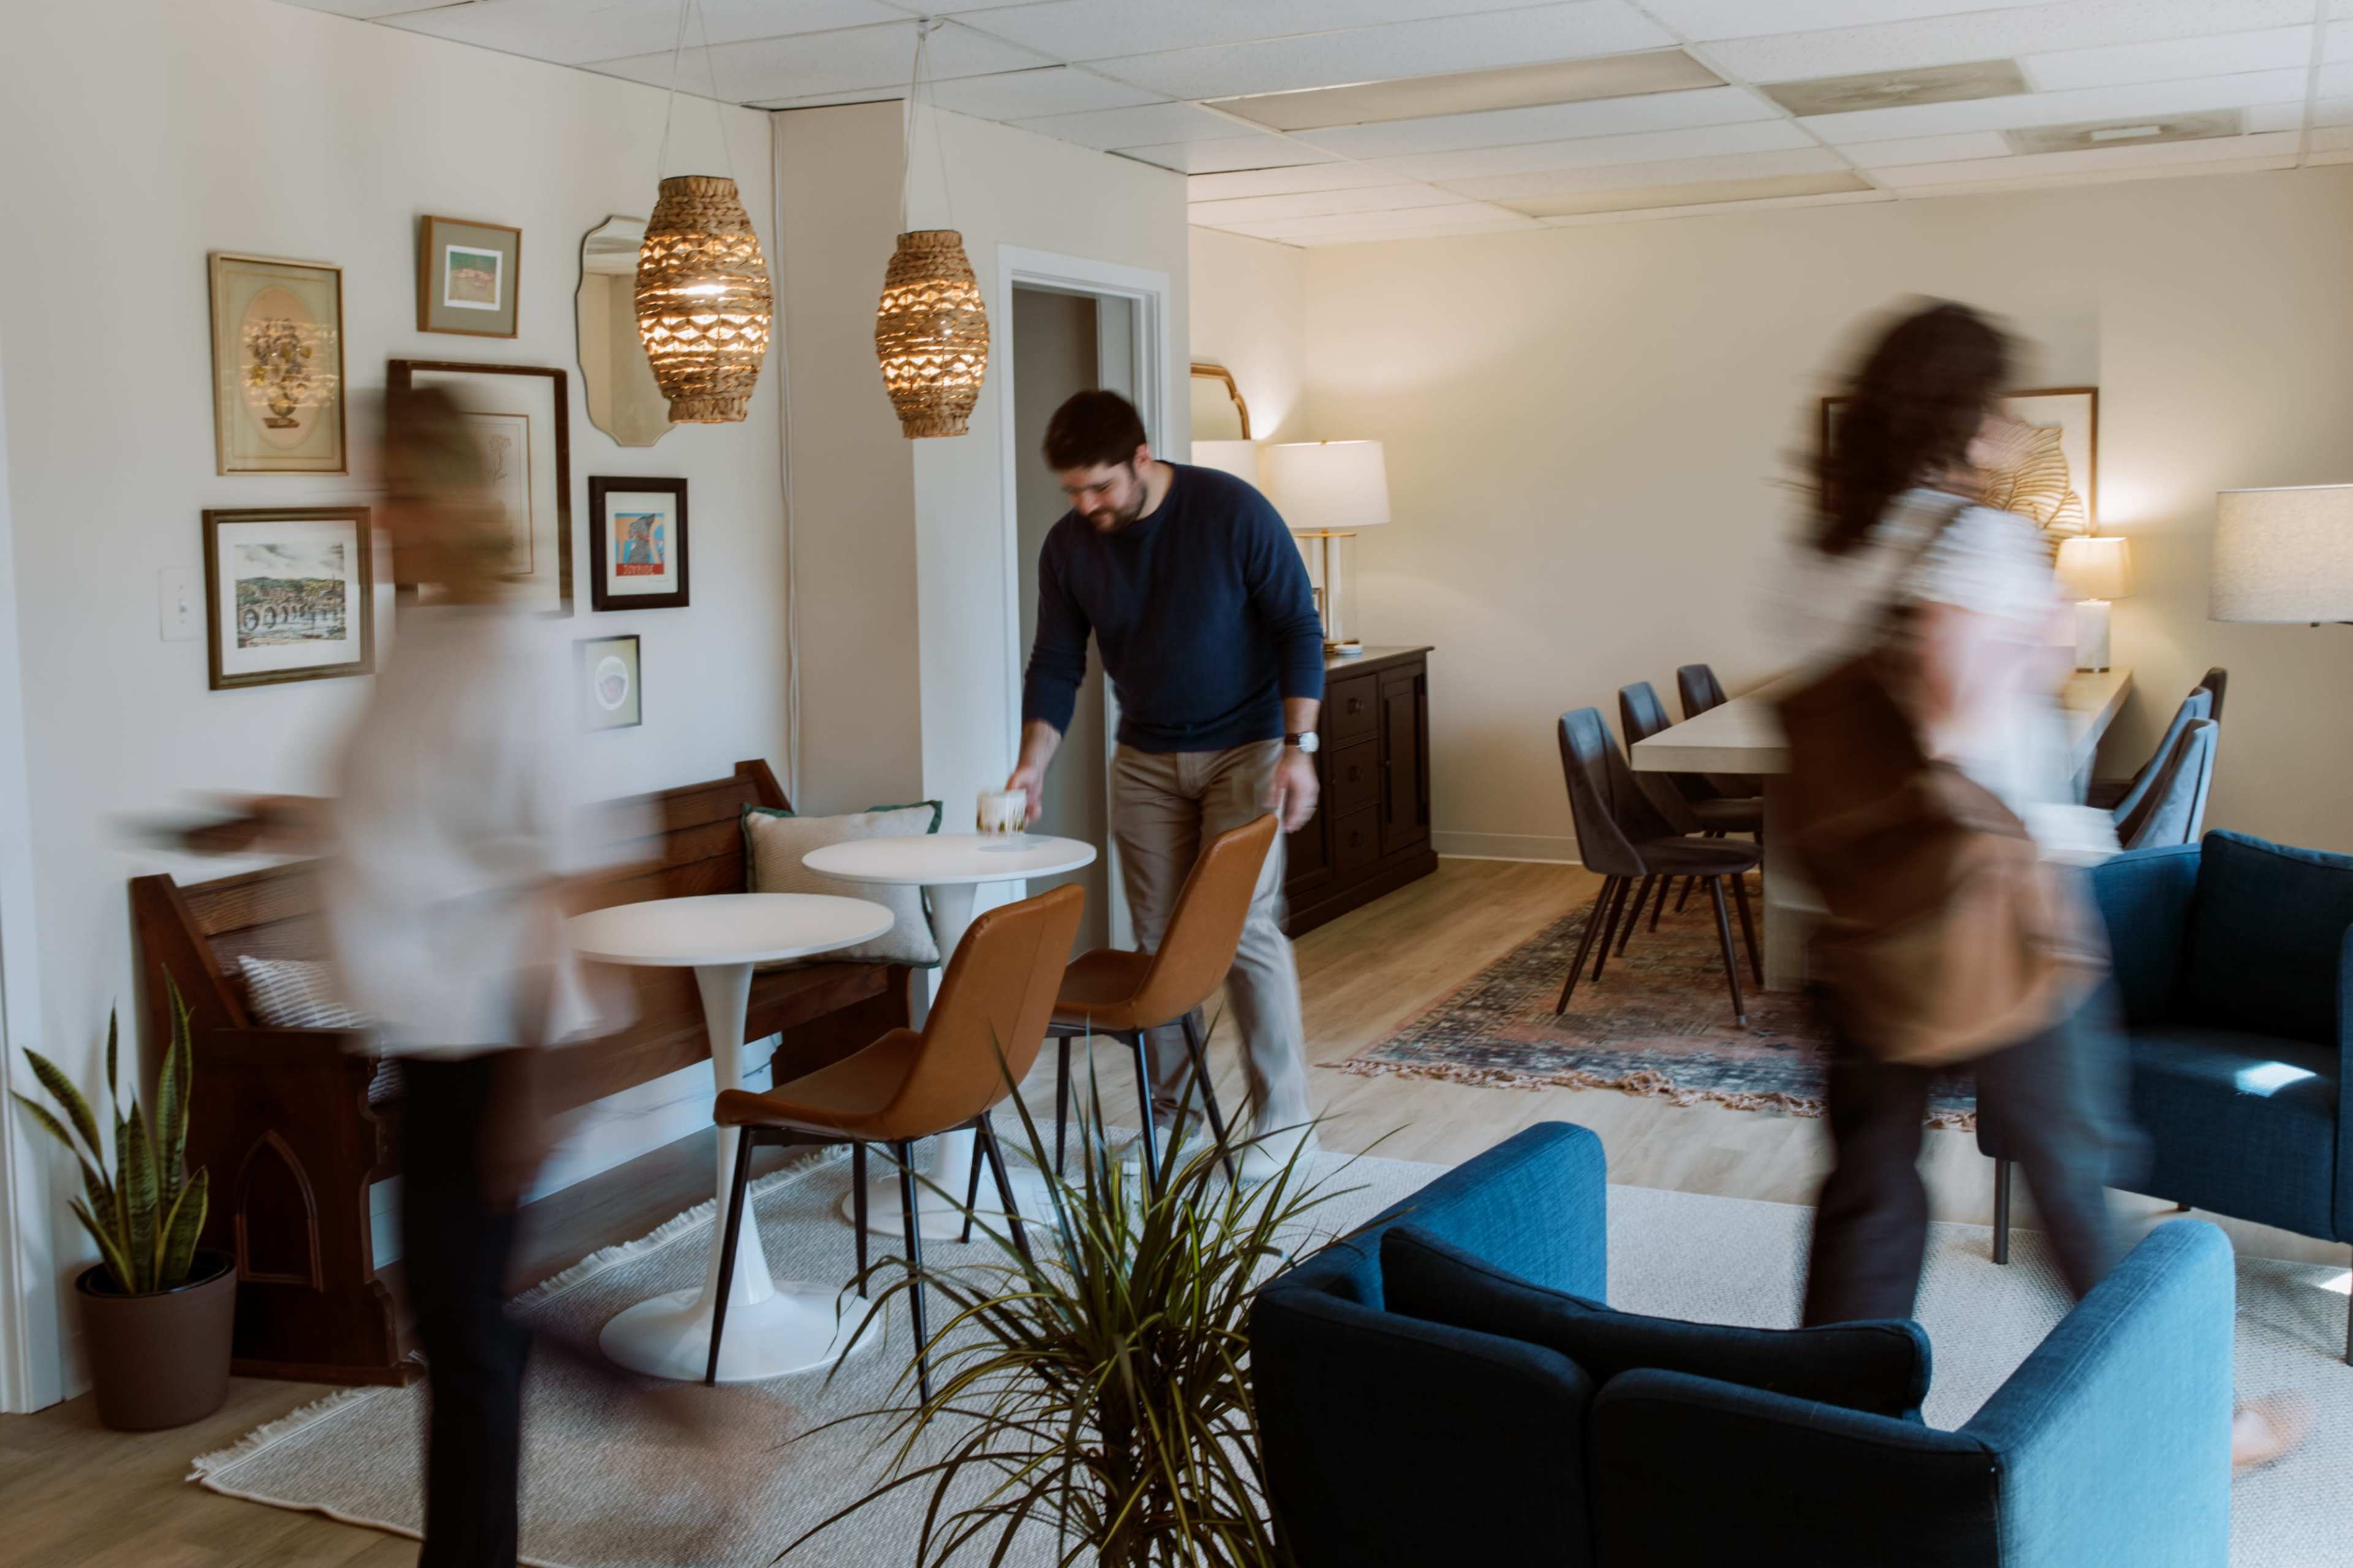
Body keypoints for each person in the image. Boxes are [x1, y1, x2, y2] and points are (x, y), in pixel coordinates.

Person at [1787, 299, 2307, 1474]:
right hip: (1993, 908)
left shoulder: (1837, 547)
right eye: (2001, 405)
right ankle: (2196, 1423)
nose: (2014, 427)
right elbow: (1960, 718)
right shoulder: (1975, 541)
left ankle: (1829, 1419)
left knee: (1871, 1182)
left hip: (1862, 916)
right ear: (1964, 417)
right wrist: (2032, 645)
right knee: (2075, 1169)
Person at [1007, 390, 1325, 1182]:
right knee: (1158, 945)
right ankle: (1176, 1116)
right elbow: (1055, 662)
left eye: (1100, 487)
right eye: (1073, 491)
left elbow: (1297, 626)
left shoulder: (1232, 513)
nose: (1087, 505)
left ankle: (1284, 1123)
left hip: (1247, 751)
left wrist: (1299, 748)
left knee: (1245, 929)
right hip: (1144, 758)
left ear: (1142, 461)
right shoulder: (1069, 548)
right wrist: (1032, 764)